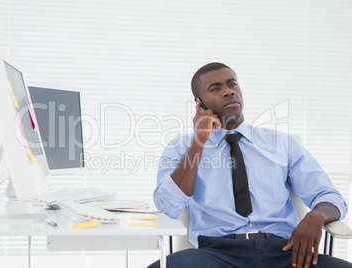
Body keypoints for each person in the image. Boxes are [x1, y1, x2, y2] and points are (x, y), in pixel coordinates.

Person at [148, 63, 351, 268]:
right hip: (216, 255)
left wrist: (316, 216)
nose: (228, 91)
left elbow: (330, 197)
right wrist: (199, 141)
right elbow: (168, 206)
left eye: (232, 84)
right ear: (199, 103)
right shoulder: (181, 147)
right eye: (215, 88)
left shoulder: (282, 144)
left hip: (285, 253)